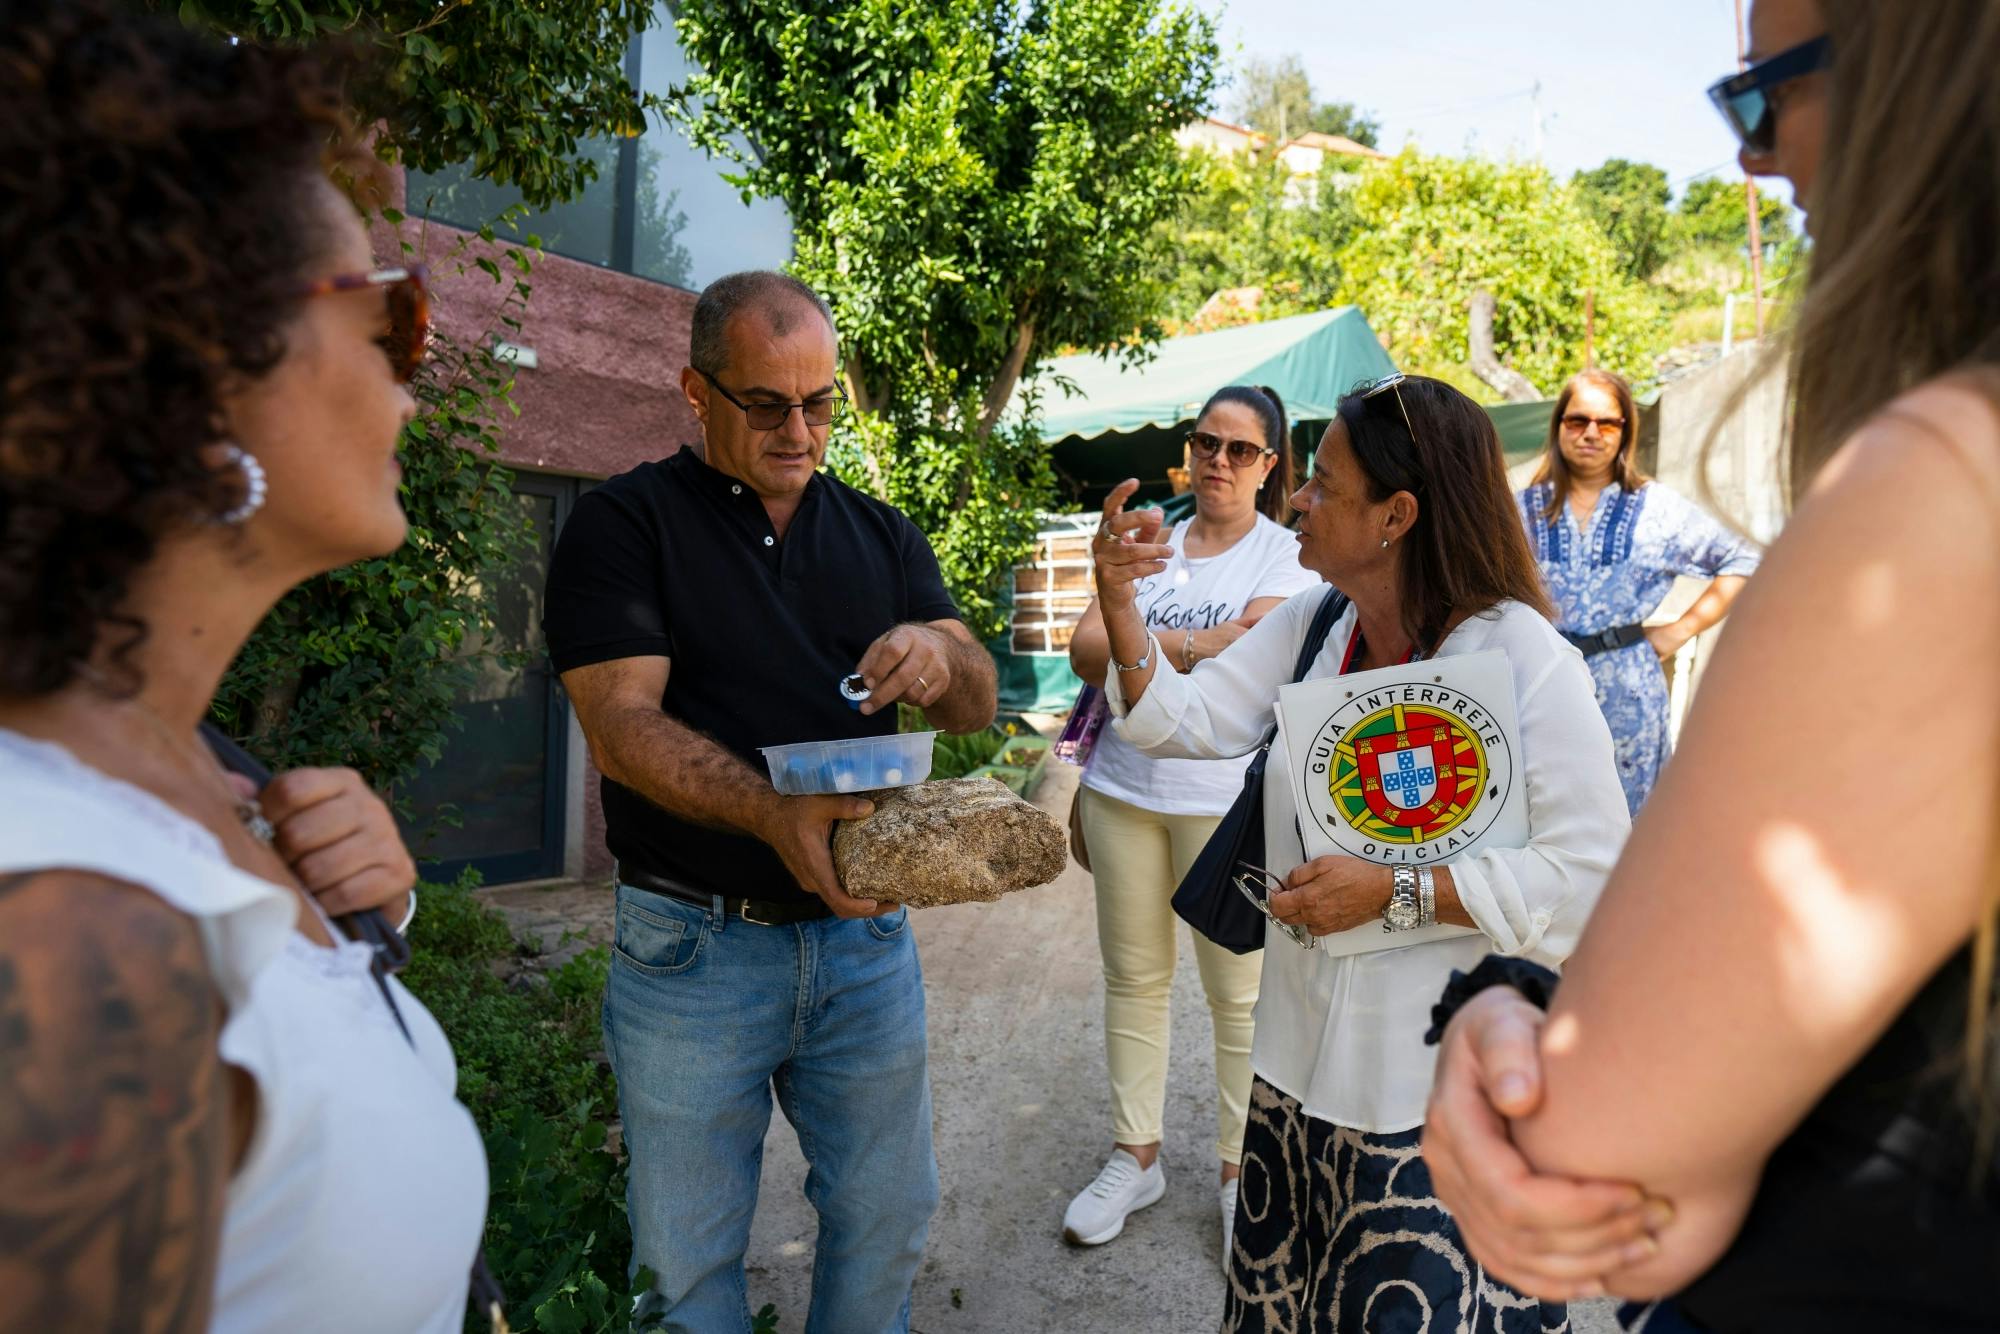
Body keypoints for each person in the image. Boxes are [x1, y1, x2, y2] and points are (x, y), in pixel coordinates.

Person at [1422, 2, 2000, 1327]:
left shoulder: (1943, 483)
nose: (1753, 159)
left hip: (1627, 701)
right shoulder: (1521, 501)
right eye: (1563, 415)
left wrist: (1500, 1014)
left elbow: (1597, 1168)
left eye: (1762, 99)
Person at [0, 4, 488, 1330]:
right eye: (391, 315)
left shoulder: (191, 772)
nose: (412, 375)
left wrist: (355, 923)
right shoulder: (61, 947)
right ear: (204, 358)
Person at [1092, 373, 1630, 1331]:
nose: (1295, 498)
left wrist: (1398, 892)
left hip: (1429, 1103)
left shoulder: (1522, 659)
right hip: (1292, 1085)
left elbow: (1594, 883)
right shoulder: (1320, 623)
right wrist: (1121, 605)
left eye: (1323, 484)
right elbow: (1192, 720)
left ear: (1397, 515)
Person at [543, 270, 999, 1331]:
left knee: (886, 1218)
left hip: (864, 944)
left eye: (821, 401)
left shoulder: (880, 533)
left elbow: (974, 694)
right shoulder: (623, 525)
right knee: (686, 1263)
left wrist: (938, 650)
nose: (800, 429)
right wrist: (768, 814)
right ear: (695, 392)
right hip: (692, 945)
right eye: (766, 402)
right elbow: (621, 726)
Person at [1062, 386, 1321, 1261]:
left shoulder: (1290, 557)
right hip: (1125, 789)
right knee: (1132, 978)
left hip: (1224, 803)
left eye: (1240, 449)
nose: (1217, 460)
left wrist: (1143, 641)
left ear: (1270, 465)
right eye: (1205, 442)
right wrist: (1200, 643)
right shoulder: (1151, 541)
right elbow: (1085, 651)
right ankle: (1136, 1157)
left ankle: (1234, 1172)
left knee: (1238, 1000)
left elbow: (1265, 649)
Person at [1519, 369, 1760, 815]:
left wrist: (1681, 629)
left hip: (1627, 689)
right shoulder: (1518, 511)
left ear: (1625, 431)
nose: (1591, 432)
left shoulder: (1657, 508)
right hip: (1539, 683)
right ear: (1558, 427)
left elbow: (1744, 558)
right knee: (1544, 816)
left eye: (1607, 422)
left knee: (1629, 822)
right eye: (1578, 420)